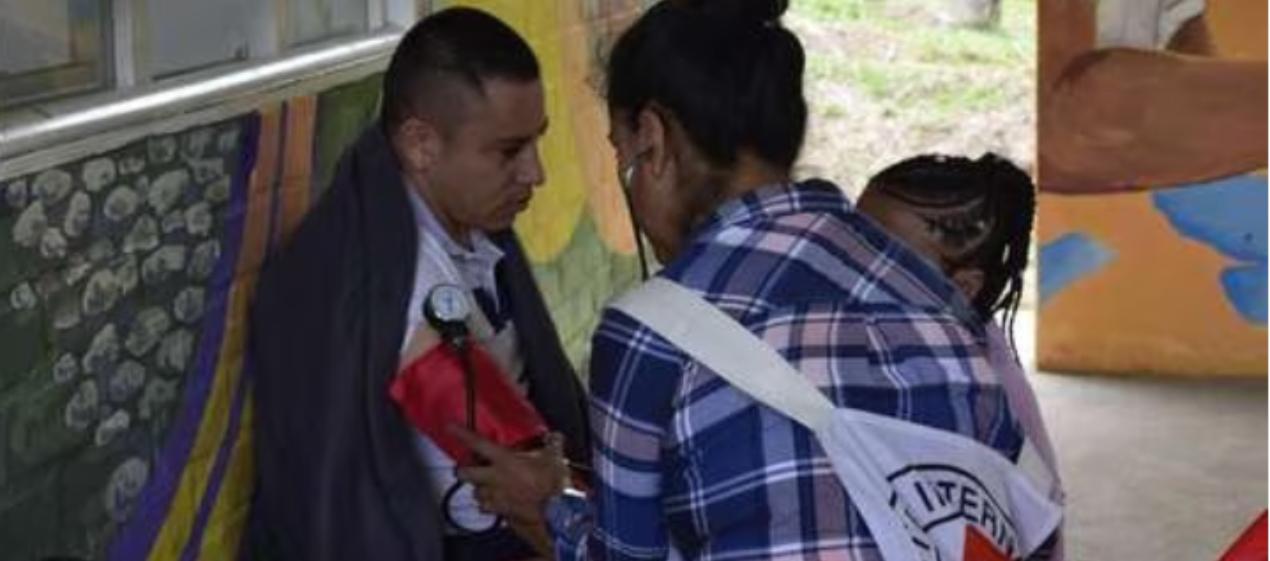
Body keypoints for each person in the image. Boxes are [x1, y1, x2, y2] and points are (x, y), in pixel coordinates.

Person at [453, 1, 1052, 559]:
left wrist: (543, 508)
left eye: (621, 152)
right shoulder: (930, 293)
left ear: (653, 142)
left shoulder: (651, 335)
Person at [246, 8, 589, 561]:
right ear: (421, 144)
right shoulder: (401, 287)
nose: (536, 173)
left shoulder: (469, 225)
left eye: (537, 142)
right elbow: (528, 484)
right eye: (508, 151)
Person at [857, 153, 1061, 498]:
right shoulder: (858, 333)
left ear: (962, 287)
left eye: (885, 259)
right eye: (851, 238)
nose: (850, 260)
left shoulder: (980, 393)